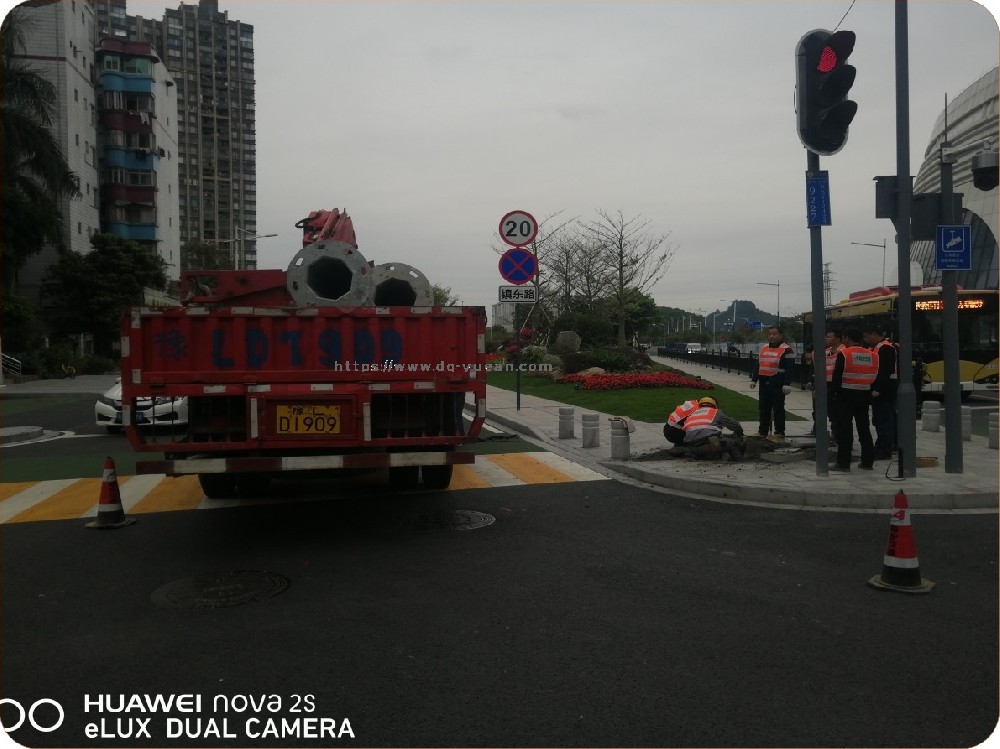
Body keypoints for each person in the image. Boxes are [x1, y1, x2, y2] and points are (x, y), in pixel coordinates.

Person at [830, 326, 878, 472]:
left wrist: (834, 393)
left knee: (845, 430)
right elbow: (875, 375)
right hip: (864, 395)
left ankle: (843, 464)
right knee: (864, 430)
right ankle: (867, 462)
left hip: (845, 395)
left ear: (848, 339)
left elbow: (837, 377)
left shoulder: (844, 353)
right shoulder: (872, 354)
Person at [749, 326, 794, 441]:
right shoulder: (764, 348)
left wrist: (787, 383)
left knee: (778, 408)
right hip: (764, 383)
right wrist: (754, 379)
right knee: (764, 408)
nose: (771, 336)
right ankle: (762, 431)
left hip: (778, 384)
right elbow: (758, 364)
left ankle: (779, 432)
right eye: (769, 334)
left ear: (781, 335)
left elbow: (790, 369)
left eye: (774, 334)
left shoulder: (787, 350)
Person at [863, 325, 898, 459]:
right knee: (881, 419)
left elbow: (884, 371)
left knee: (883, 419)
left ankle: (884, 449)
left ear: (873, 334)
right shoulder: (877, 348)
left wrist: (878, 389)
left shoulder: (886, 348)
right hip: (881, 388)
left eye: (866, 337)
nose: (865, 340)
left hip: (885, 390)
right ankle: (884, 446)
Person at [681, 396, 745, 461]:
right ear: (714, 406)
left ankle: (707, 456)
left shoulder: (692, 414)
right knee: (732, 444)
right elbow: (735, 425)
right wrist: (740, 433)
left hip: (691, 448)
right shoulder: (715, 412)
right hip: (708, 446)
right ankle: (739, 462)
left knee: (715, 439)